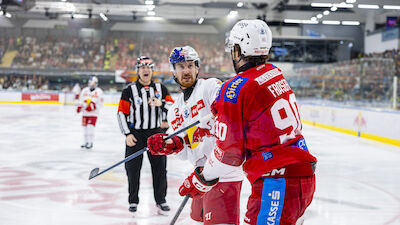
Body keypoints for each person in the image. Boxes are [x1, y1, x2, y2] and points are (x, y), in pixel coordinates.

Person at [177, 20, 318, 225]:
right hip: (304, 176)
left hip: (276, 180)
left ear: (238, 50)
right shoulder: (274, 73)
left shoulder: (234, 88)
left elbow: (229, 155)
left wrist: (202, 177)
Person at [147, 46, 243, 224]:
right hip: (200, 176)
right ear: (173, 71)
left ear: (197, 68)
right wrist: (170, 144)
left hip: (223, 175)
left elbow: (223, 99)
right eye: (181, 66)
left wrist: (222, 104)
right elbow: (184, 154)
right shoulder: (174, 110)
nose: (186, 71)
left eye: (191, 65)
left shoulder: (208, 86)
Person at [117, 56, 174, 215]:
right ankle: (133, 200)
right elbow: (121, 113)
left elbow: (172, 106)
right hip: (136, 134)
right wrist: (127, 134)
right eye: (143, 67)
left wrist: (161, 105)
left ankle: (161, 200)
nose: (146, 70)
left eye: (149, 67)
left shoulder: (160, 88)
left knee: (160, 168)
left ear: (152, 70)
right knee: (133, 169)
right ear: (138, 70)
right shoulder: (129, 90)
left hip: (156, 133)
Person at [77, 76, 104, 150]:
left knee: (90, 128)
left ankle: (90, 142)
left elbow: (101, 102)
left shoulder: (99, 91)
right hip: (85, 113)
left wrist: (93, 107)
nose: (92, 84)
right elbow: (81, 100)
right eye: (91, 82)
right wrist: (80, 107)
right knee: (85, 128)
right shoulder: (85, 90)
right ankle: (86, 142)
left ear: (96, 83)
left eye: (94, 83)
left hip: (94, 113)